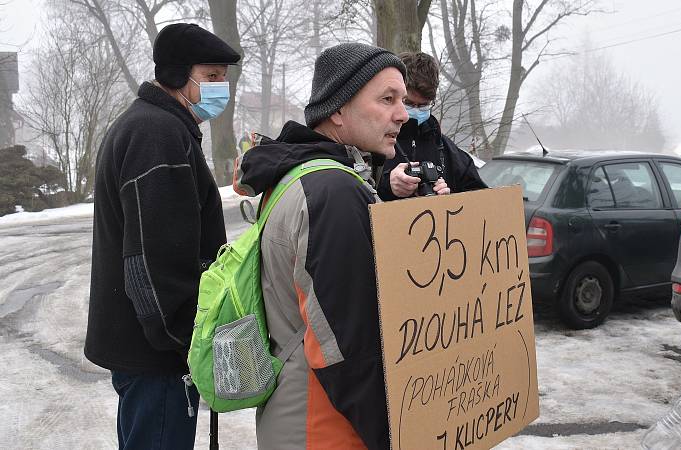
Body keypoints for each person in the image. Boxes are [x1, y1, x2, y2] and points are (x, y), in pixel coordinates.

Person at [233, 43, 409, 450]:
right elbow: (348, 350)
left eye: (402, 100)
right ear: (337, 110)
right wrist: (397, 435)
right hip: (327, 428)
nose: (402, 113)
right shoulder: (332, 191)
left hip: (294, 413)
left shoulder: (297, 175)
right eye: (387, 99)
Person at [85, 23, 240, 449]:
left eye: (223, 78)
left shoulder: (154, 125)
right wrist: (184, 343)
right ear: (176, 75)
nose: (220, 88)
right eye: (210, 77)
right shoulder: (158, 135)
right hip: (158, 356)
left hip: (147, 351)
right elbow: (153, 261)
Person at [377, 51, 486, 200]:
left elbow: (481, 199)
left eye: (423, 105)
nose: (415, 110)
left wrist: (450, 199)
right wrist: (387, 185)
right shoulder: (372, 141)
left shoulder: (444, 148)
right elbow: (350, 192)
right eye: (408, 103)